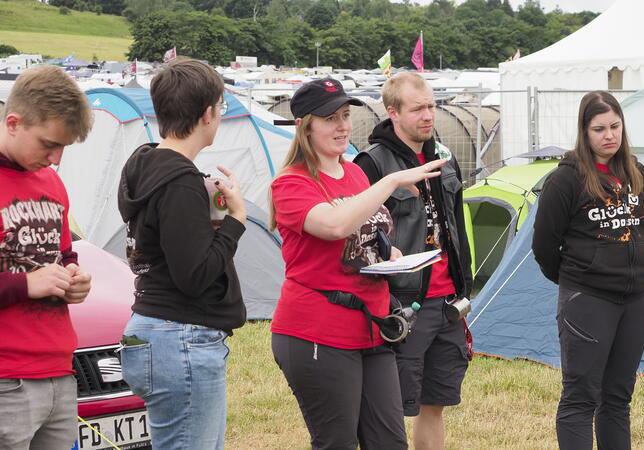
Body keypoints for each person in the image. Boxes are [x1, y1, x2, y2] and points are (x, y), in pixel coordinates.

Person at [269, 77, 446, 450]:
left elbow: (364, 236)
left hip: (372, 325)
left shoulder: (353, 173)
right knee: (338, 443)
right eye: (330, 118)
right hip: (317, 331)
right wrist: (391, 180)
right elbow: (334, 226)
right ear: (304, 126)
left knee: (389, 441)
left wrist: (389, 255)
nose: (343, 126)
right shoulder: (290, 184)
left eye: (346, 115)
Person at [117, 59, 247, 450]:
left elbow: (168, 244)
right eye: (220, 108)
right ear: (207, 113)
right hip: (181, 337)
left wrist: (209, 214)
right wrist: (236, 220)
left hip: (154, 329)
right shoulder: (181, 182)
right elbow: (195, 275)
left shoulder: (145, 165)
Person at [532, 91, 644, 450]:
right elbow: (544, 246)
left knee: (618, 397)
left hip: (635, 299)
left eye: (615, 126)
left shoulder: (639, 174)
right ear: (584, 132)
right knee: (580, 397)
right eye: (599, 128)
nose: (609, 135)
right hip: (587, 299)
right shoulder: (565, 180)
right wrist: (580, 277)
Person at [353, 72, 473, 450]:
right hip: (401, 304)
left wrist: (463, 288)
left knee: (434, 404)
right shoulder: (372, 164)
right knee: (389, 409)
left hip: (448, 301)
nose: (428, 116)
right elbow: (358, 237)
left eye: (432, 106)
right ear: (393, 112)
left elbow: (456, 228)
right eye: (418, 108)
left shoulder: (443, 157)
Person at [0, 65, 94, 449]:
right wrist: (27, 284)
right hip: (7, 379)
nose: (55, 158)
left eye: (64, 148)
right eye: (48, 144)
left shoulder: (52, 182)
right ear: (13, 123)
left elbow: (63, 252)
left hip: (58, 370)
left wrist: (74, 276)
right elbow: (31, 278)